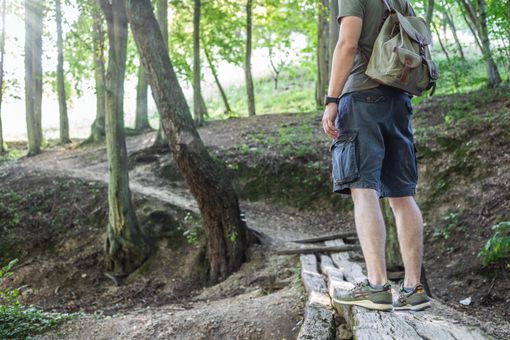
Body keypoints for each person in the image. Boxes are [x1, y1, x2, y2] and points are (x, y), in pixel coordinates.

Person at [321, 0, 431, 311]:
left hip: (361, 96)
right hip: (398, 97)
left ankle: (377, 286)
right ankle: (414, 288)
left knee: (364, 189)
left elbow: (347, 43)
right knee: (402, 194)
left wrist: (331, 99)